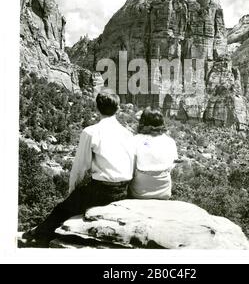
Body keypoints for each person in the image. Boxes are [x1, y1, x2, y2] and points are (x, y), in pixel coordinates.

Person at [24, 90, 134, 246]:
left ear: (97, 107)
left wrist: (71, 194)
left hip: (102, 191)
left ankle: (38, 236)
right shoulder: (128, 133)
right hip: (124, 190)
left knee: (61, 209)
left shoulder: (91, 132)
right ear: (117, 109)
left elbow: (80, 168)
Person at [129, 107, 178, 200]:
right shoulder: (170, 141)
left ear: (143, 122)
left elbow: (131, 166)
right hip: (164, 191)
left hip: (140, 191)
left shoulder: (136, 140)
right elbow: (172, 165)